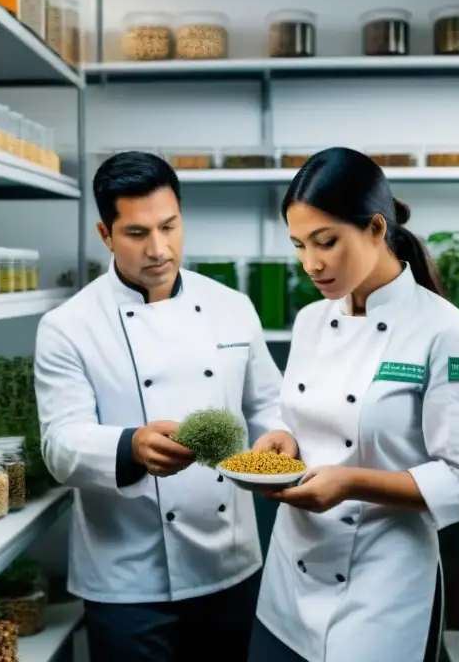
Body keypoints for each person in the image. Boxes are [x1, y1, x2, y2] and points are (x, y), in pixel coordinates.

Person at [34, 151, 297, 661]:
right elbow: (60, 445)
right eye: (136, 233)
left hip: (231, 564)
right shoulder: (69, 326)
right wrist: (130, 445)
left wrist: (277, 438)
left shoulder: (230, 306)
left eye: (169, 226)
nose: (158, 248)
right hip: (129, 579)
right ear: (105, 234)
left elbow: (268, 402)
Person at [248, 147, 459, 662]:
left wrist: (351, 483)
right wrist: (282, 438)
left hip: (384, 591)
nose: (311, 263)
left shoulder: (448, 332)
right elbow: (298, 418)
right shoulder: (310, 321)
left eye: (327, 242)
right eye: (298, 245)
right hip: (290, 581)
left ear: (377, 229)